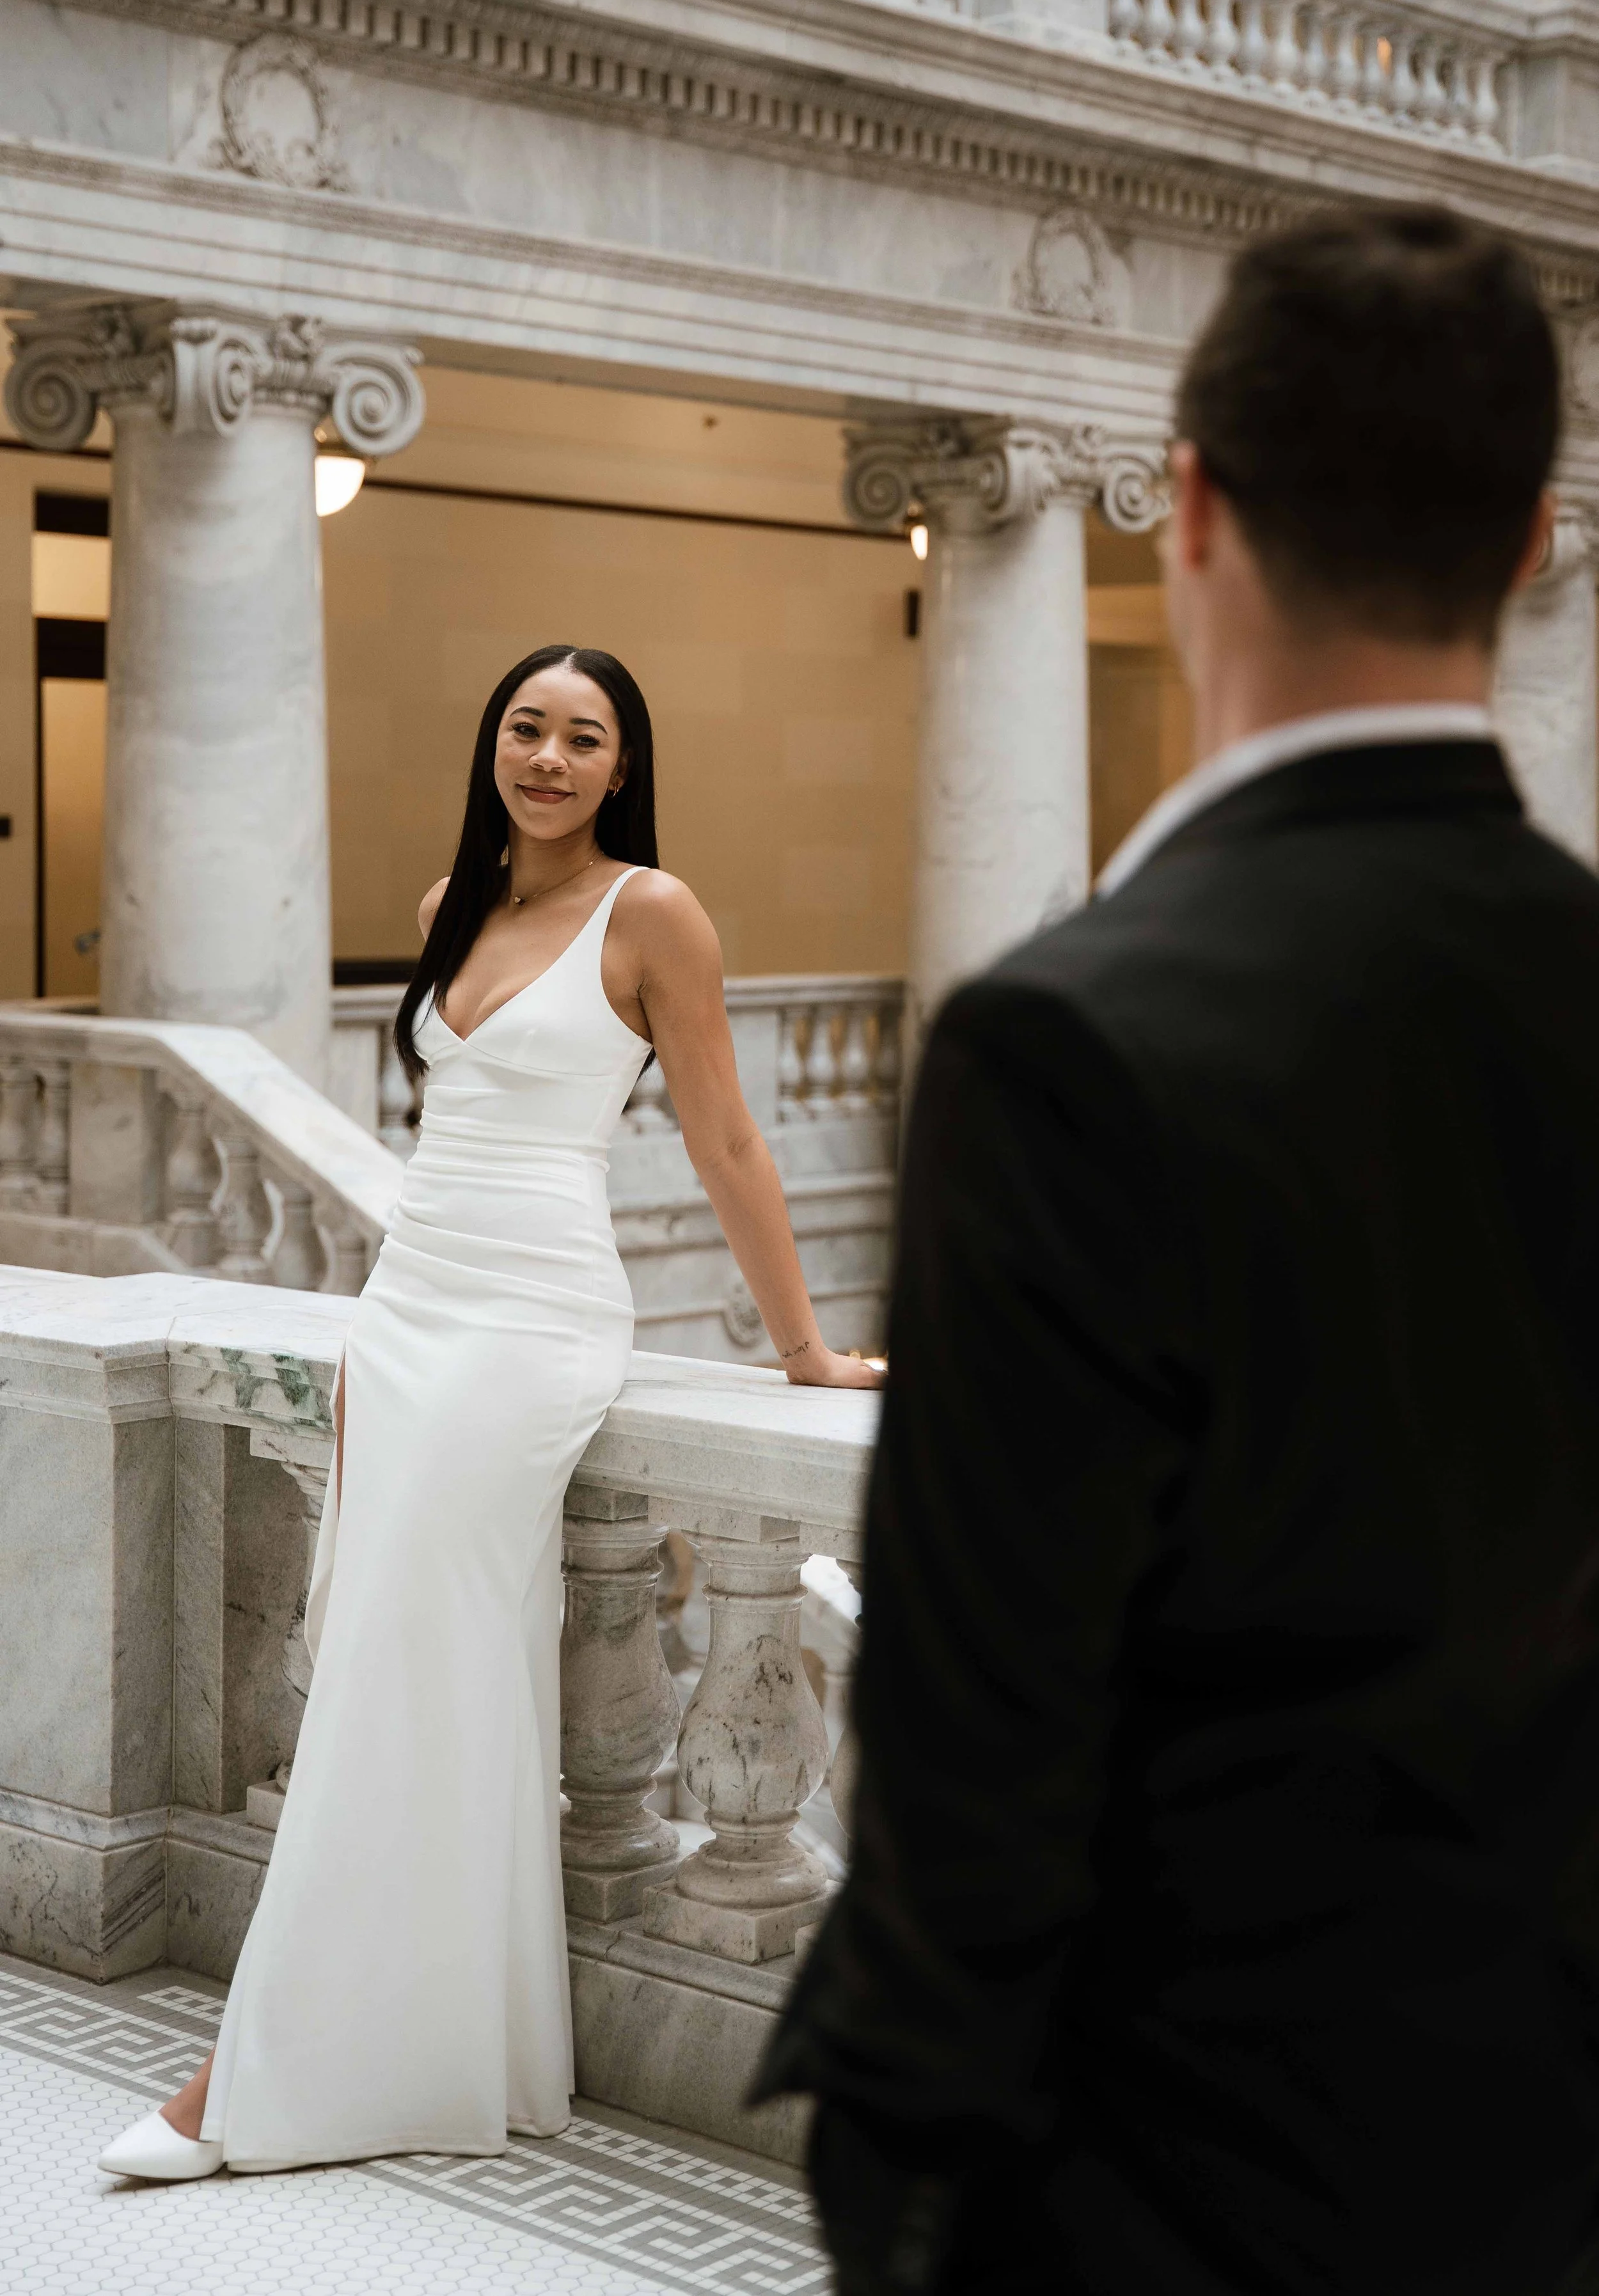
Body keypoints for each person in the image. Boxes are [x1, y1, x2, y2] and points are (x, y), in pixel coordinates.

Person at [758, 207, 1599, 2295]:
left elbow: (971, 1783)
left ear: (1195, 508)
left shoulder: (1071, 1041)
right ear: (1525, 542)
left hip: (1173, 2194)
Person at [98, 643, 879, 2182]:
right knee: (425, 1675)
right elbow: (445, 1138)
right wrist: (370, 1333)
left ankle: (247, 2081)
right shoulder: (446, 914)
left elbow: (724, 1134)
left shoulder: (651, 910)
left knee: (390, 1672)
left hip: (533, 1325)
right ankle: (477, 2047)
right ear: (493, 746)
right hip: (407, 1317)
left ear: (621, 766)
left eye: (585, 738)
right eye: (527, 727)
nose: (551, 756)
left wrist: (799, 1345)